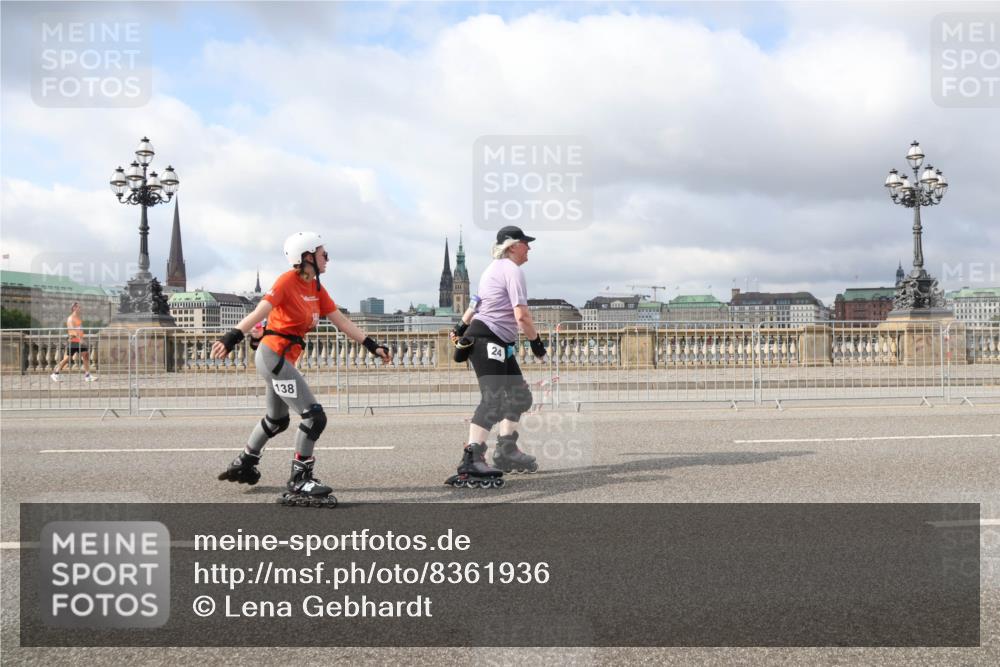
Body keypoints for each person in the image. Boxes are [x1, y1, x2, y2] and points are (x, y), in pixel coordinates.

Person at [211, 231, 391, 507]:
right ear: (307, 257)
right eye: (323, 254)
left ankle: (245, 460)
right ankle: (300, 479)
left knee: (277, 420)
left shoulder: (316, 288)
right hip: (274, 357)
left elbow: (341, 321)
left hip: (283, 359)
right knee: (314, 417)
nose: (327, 259)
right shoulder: (287, 281)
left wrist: (372, 345)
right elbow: (259, 312)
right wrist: (231, 337)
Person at [445, 226, 546, 489]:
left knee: (520, 397)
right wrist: (536, 342)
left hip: (497, 340)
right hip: (488, 339)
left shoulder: (492, 269)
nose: (529, 248)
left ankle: (506, 451)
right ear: (512, 246)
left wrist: (459, 326)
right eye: (526, 243)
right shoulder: (512, 271)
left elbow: (475, 302)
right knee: (492, 399)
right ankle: (472, 457)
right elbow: (521, 316)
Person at [50, 302, 95, 382]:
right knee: (67, 359)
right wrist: (79, 339)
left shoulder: (78, 318)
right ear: (74, 308)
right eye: (79, 307)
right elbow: (72, 330)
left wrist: (82, 338)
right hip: (74, 341)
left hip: (79, 340)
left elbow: (79, 329)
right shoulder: (70, 318)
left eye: (80, 307)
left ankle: (87, 376)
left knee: (86, 355)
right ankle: (55, 373)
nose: (80, 309)